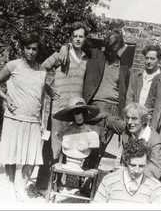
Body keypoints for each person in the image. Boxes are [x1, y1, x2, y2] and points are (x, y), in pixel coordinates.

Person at [0, 33, 47, 199]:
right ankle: (12, 185)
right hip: (14, 117)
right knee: (12, 153)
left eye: (34, 49)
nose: (31, 52)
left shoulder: (42, 70)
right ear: (23, 48)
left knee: (32, 157)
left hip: (33, 119)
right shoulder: (13, 65)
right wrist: (6, 97)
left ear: (38, 50)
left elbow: (42, 97)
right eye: (28, 48)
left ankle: (20, 184)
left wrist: (42, 120)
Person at [35, 22, 90, 194]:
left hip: (75, 110)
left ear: (85, 38)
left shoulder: (87, 59)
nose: (78, 39)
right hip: (59, 108)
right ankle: (43, 185)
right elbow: (40, 69)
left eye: (81, 36)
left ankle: (58, 184)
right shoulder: (61, 54)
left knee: (70, 147)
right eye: (75, 36)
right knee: (53, 147)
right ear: (70, 38)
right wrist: (48, 89)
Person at [82, 29, 132, 169]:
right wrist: (105, 39)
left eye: (115, 48)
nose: (111, 52)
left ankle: (89, 180)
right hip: (96, 106)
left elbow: (124, 92)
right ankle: (83, 176)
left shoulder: (124, 68)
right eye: (109, 48)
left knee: (101, 148)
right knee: (90, 144)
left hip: (114, 109)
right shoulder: (97, 56)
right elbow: (84, 43)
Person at [93, 139, 161, 203]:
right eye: (133, 165)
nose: (137, 171)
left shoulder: (155, 187)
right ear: (126, 162)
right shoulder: (109, 181)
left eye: (141, 166)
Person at [53, 97, 100, 172]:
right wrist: (59, 163)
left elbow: (94, 155)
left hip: (80, 167)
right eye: (76, 113)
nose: (79, 116)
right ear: (72, 115)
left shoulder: (91, 134)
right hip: (66, 166)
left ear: (84, 113)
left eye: (81, 112)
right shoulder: (64, 132)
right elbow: (61, 151)